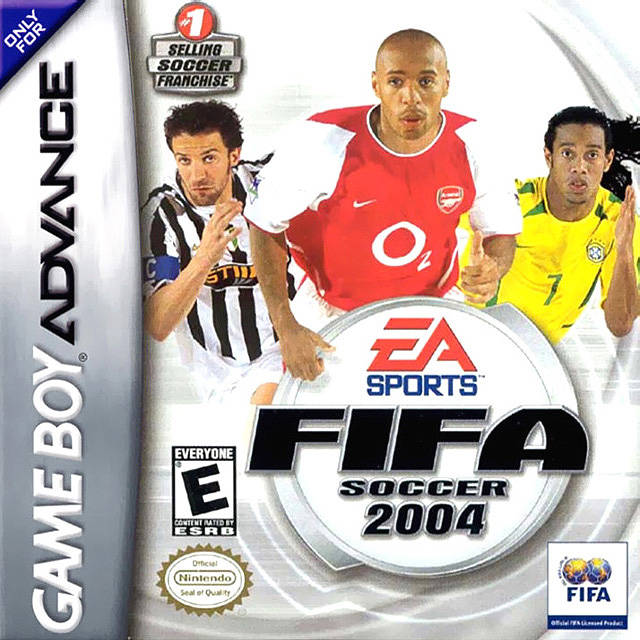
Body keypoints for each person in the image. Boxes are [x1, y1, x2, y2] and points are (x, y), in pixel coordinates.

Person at [245, 29, 522, 381]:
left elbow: (500, 232)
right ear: (376, 85)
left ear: (446, 83)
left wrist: (494, 269)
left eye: (426, 81)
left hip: (436, 300)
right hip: (333, 309)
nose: (411, 98)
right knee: (312, 407)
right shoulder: (320, 142)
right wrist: (285, 326)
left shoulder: (475, 143)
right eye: (396, 82)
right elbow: (264, 225)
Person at [142, 100, 294, 403]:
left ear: (234, 155)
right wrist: (205, 257)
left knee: (270, 405)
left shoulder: (267, 184)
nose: (196, 174)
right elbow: (158, 324)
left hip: (281, 351)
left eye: (209, 158)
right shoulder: (162, 216)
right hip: (213, 373)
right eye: (184, 160)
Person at [485, 106, 640, 343]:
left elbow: (620, 324)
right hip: (474, 331)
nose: (579, 167)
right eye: (568, 153)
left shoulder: (620, 222)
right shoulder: (512, 202)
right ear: (549, 157)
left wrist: (624, 251)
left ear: (607, 160)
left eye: (592, 155)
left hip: (537, 353)